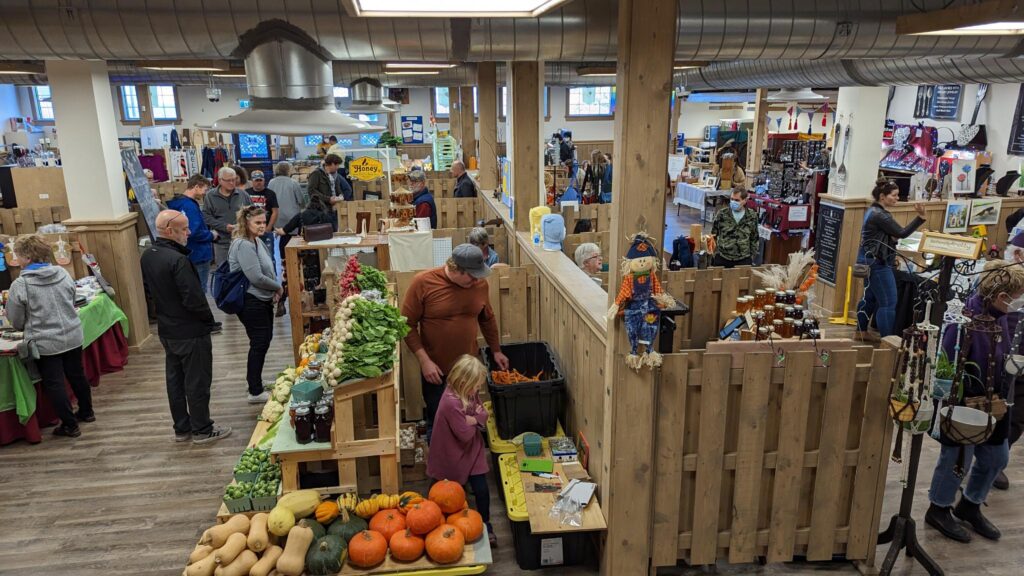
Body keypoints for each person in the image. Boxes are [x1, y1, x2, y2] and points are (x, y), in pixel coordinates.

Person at [926, 259, 1023, 542]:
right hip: (964, 402)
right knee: (957, 460)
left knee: (997, 457)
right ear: (1001, 295)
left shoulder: (1000, 315)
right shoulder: (963, 319)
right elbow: (945, 365)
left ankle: (970, 505)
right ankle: (938, 508)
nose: (1018, 303)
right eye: (1016, 298)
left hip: (996, 400)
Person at [140, 210, 231, 444]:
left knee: (175, 381)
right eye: (184, 229)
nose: (189, 233)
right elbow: (194, 298)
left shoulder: (148, 255)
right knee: (197, 381)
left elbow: (148, 292)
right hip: (190, 331)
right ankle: (202, 429)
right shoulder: (178, 260)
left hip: (167, 330)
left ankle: (182, 428)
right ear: (169, 231)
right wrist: (208, 321)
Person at [402, 244, 509, 442]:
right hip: (437, 371)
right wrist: (424, 361)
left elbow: (487, 319)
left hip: (467, 372)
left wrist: (496, 350)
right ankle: (439, 460)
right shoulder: (423, 282)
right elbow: (406, 324)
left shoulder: (480, 285)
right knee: (439, 421)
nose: (476, 280)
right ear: (456, 269)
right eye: (472, 276)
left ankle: (468, 457)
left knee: (468, 420)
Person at [5, 235, 93, 438]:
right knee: (77, 375)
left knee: (54, 383)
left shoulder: (21, 285)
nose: (16, 259)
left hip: (45, 341)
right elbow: (73, 298)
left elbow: (15, 320)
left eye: (18, 255)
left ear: (27, 257)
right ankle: (87, 412)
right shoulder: (62, 273)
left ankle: (70, 425)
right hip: (72, 334)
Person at [426, 354, 497, 546]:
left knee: (481, 489)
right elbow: (464, 434)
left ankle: (485, 522)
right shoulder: (450, 402)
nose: (478, 390)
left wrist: (473, 419)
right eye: (476, 386)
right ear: (464, 383)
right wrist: (476, 419)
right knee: (445, 492)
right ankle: (438, 523)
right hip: (452, 452)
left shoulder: (470, 392)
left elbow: (483, 414)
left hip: (472, 449)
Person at [855, 178, 926, 339]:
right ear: (882, 196)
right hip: (878, 263)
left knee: (869, 298)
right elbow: (901, 232)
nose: (897, 198)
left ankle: (861, 332)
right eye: (894, 195)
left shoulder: (872, 211)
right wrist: (921, 217)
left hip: (868, 260)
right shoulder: (881, 215)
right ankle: (888, 341)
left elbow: (888, 235)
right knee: (888, 303)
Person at [229, 206, 283, 403]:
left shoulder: (256, 240)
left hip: (261, 298)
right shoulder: (243, 245)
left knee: (262, 341)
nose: (262, 226)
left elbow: (267, 269)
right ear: (246, 223)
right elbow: (256, 277)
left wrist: (273, 288)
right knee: (259, 342)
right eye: (257, 222)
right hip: (251, 300)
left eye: (264, 222)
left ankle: (255, 381)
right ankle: (255, 391)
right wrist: (278, 287)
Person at [166, 174, 219, 298]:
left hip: (188, 252)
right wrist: (211, 235)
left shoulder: (179, 203)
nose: (205, 193)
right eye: (205, 189)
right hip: (198, 253)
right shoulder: (189, 206)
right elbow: (193, 232)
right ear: (196, 187)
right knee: (199, 290)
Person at [203, 166, 252, 266]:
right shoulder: (210, 196)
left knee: (244, 269)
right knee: (224, 270)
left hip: (242, 241)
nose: (232, 183)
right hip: (222, 243)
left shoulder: (243, 195)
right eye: (228, 180)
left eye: (234, 180)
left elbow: (252, 213)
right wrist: (224, 227)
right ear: (220, 180)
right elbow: (206, 217)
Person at [710, 187, 758, 268]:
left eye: (737, 200)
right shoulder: (722, 214)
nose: (733, 202)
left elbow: (754, 238)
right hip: (722, 257)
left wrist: (752, 256)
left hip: (743, 259)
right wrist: (714, 253)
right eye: (731, 199)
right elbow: (713, 235)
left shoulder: (752, 216)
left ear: (745, 200)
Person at [269, 161, 307, 258]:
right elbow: (301, 201)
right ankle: (293, 261)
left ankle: (284, 261)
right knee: (292, 242)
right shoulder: (293, 183)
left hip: (277, 217)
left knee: (282, 240)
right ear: (288, 170)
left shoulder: (271, 182)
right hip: (292, 218)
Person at [248, 170, 280, 263]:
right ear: (252, 181)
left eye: (260, 180)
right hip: (250, 232)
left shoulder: (270, 193)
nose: (258, 182)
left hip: (266, 231)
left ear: (264, 180)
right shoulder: (246, 193)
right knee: (251, 258)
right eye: (256, 180)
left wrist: (268, 228)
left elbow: (275, 212)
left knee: (269, 257)